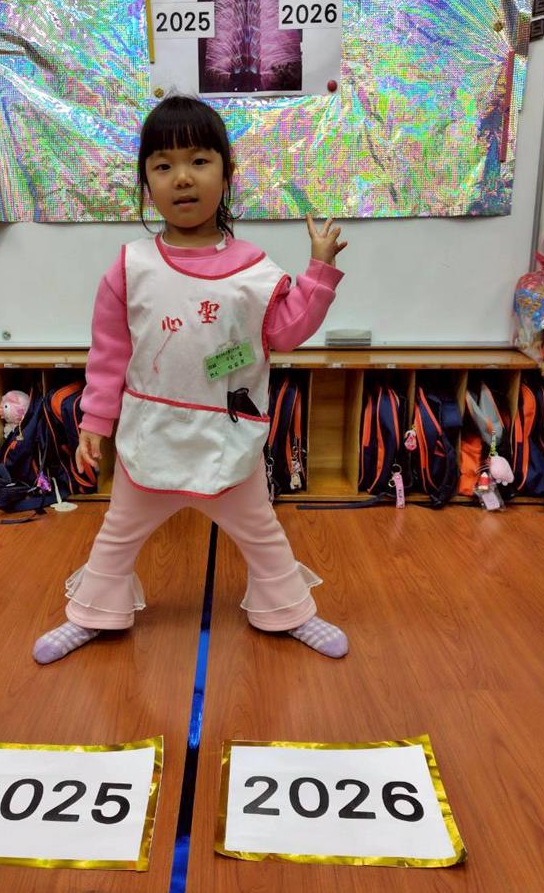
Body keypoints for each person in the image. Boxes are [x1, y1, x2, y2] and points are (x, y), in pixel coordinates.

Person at [34, 95, 349, 664]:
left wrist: (318, 272)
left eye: (199, 161)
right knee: (117, 534)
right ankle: (92, 614)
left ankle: (289, 612)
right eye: (163, 165)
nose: (182, 177)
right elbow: (109, 355)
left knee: (261, 533)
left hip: (226, 438)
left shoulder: (254, 269)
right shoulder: (129, 267)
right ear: (146, 184)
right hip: (150, 435)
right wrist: (94, 423)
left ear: (227, 175)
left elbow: (284, 333)